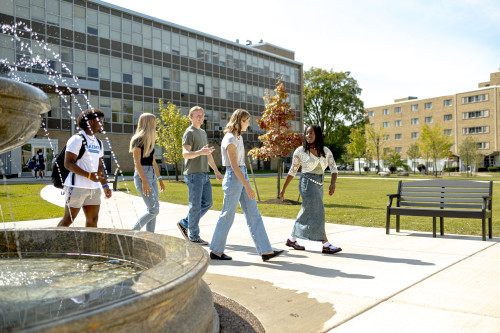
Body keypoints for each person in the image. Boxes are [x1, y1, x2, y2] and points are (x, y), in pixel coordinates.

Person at [210, 109, 284, 261]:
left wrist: (246, 182)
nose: (249, 124)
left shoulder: (238, 138)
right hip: (234, 177)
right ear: (240, 121)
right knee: (227, 215)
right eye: (247, 121)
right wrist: (248, 187)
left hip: (241, 174)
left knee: (253, 214)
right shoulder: (229, 138)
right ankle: (216, 251)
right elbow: (234, 166)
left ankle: (265, 250)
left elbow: (240, 166)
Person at [279, 124, 342, 254]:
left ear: (317, 135)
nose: (308, 136)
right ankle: (325, 244)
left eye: (311, 133)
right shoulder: (300, 151)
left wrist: (333, 183)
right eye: (307, 133)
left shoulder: (326, 151)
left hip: (319, 185)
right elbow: (292, 171)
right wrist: (283, 189)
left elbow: (334, 169)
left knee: (307, 210)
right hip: (307, 184)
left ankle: (292, 238)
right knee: (318, 211)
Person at [57, 109, 112, 228]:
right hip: (77, 187)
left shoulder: (99, 143)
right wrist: (89, 175)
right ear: (91, 122)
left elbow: (99, 167)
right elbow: (68, 163)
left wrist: (104, 185)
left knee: (92, 221)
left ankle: (90, 247)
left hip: (94, 189)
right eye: (100, 121)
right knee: (68, 220)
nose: (102, 124)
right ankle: (54, 245)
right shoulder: (77, 139)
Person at [178, 106, 223, 245]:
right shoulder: (189, 133)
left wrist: (215, 170)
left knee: (208, 203)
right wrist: (200, 152)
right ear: (190, 117)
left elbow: (207, 154)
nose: (200, 117)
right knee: (195, 205)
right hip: (193, 174)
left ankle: (184, 223)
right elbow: (185, 154)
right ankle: (193, 236)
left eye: (201, 115)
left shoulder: (203, 132)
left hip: (204, 173)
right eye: (197, 115)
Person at [129, 113, 165, 232]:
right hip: (142, 175)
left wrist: (160, 179)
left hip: (152, 175)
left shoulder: (150, 139)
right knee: (154, 210)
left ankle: (150, 236)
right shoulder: (138, 140)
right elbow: (137, 162)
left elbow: (154, 162)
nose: (156, 124)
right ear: (148, 122)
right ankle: (132, 232)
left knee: (153, 209)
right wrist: (144, 181)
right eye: (154, 121)